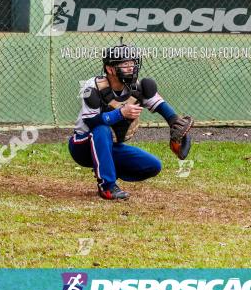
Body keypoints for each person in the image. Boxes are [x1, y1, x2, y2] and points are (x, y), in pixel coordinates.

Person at [69, 43, 193, 200]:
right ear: (110, 69)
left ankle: (105, 167)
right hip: (82, 145)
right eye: (125, 64)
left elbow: (164, 109)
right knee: (101, 129)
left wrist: (177, 127)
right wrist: (120, 113)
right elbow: (92, 122)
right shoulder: (93, 86)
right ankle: (107, 186)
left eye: (132, 63)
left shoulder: (137, 87)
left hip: (111, 147)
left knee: (153, 166)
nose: (131, 68)